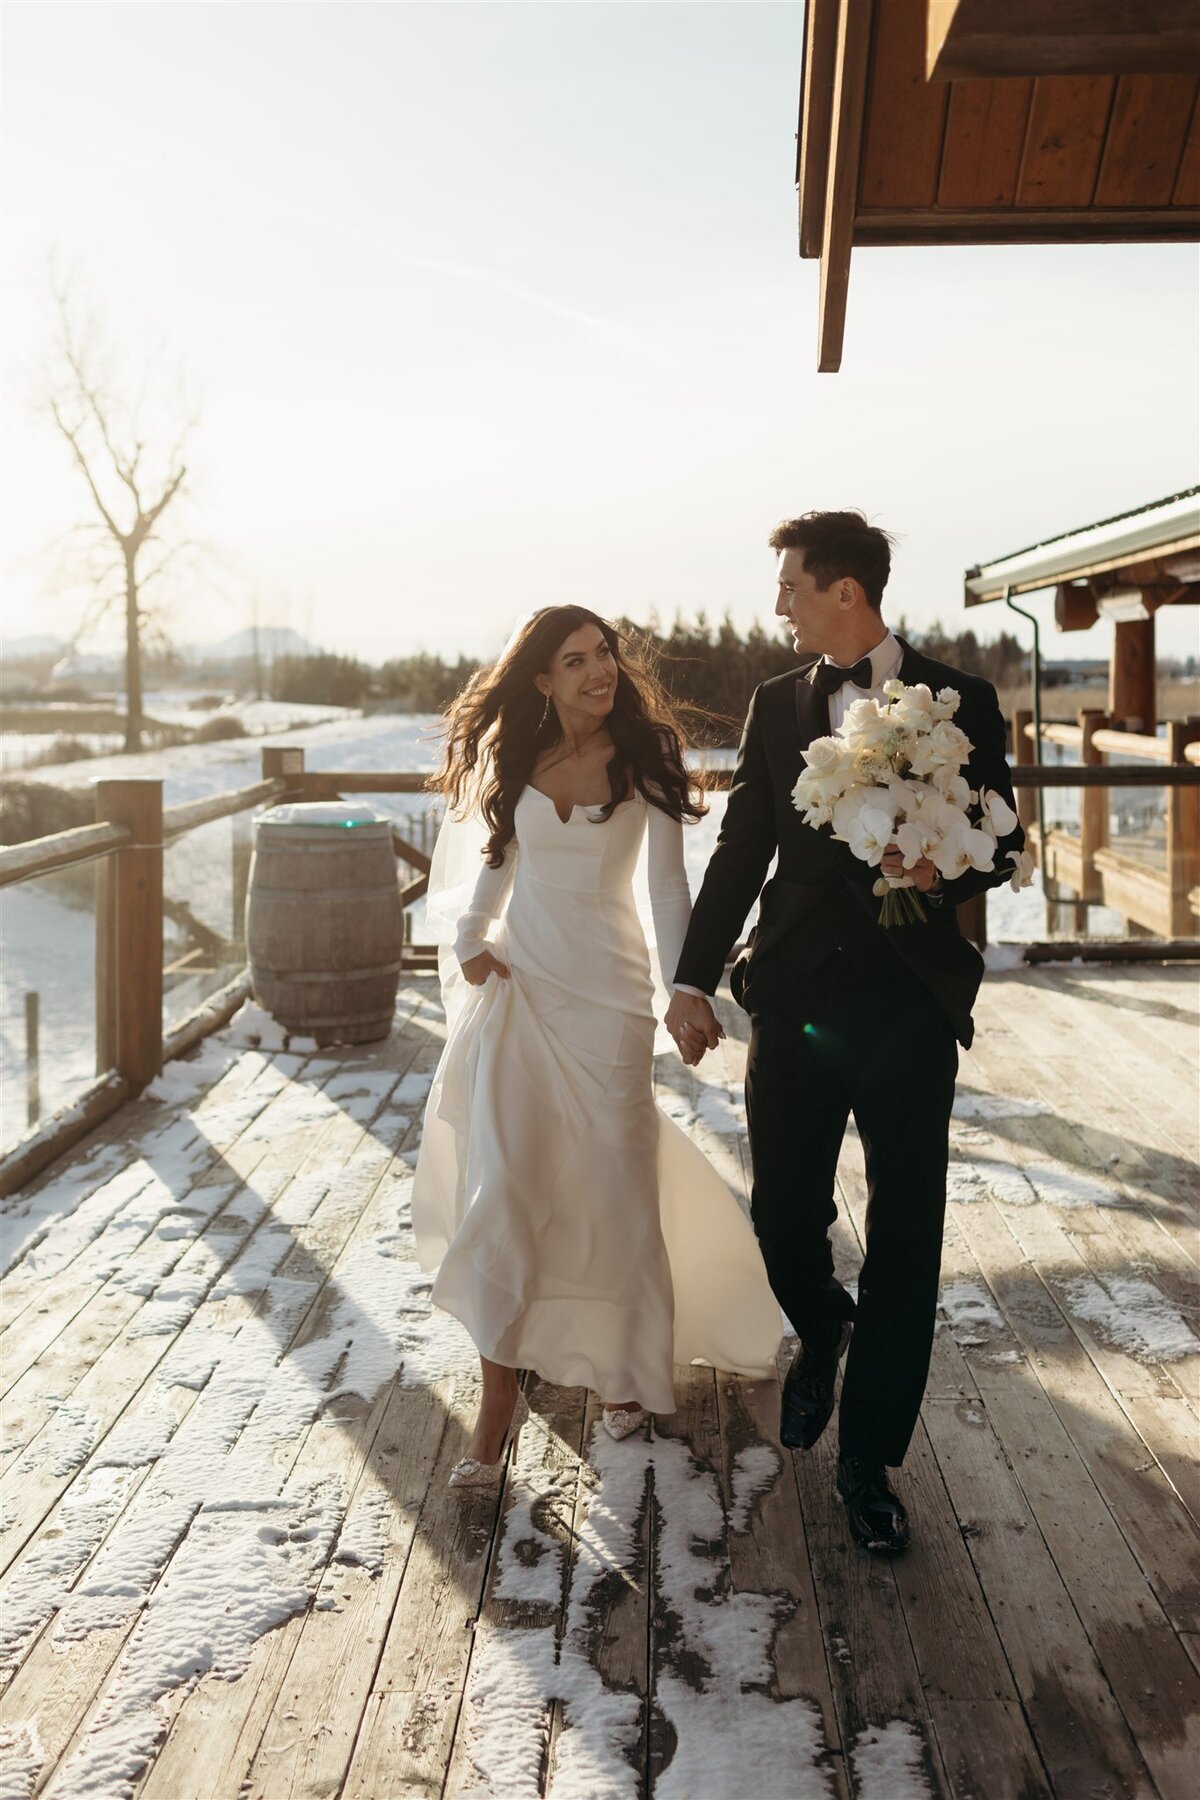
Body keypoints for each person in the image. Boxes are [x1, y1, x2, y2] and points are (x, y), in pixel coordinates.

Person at [666, 512, 1023, 1554]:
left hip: (911, 1005)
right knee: (782, 1214)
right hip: (797, 1000)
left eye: (790, 584)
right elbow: (740, 849)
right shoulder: (778, 704)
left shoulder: (966, 701)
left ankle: (869, 1462)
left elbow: (998, 840)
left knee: (909, 1236)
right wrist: (692, 975)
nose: (778, 602)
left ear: (845, 592)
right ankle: (821, 1328)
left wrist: (940, 864)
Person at [412, 605, 781, 1487]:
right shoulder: (514, 760)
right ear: (541, 679)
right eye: (575, 660)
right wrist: (470, 934)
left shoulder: (647, 753)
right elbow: (496, 865)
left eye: (604, 654)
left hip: (610, 1006)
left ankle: (622, 1367)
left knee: (614, 1193)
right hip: (522, 998)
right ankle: (494, 1416)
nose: (598, 670)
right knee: (502, 1193)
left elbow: (665, 890)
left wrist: (681, 991)